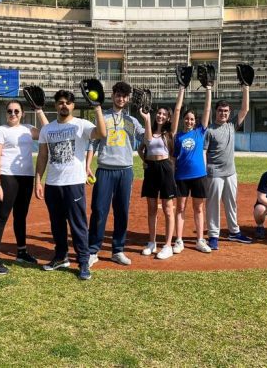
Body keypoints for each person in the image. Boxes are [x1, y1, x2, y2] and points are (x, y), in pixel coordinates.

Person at [35, 89, 106, 280]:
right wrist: (38, 180)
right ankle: (61, 257)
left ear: (73, 105)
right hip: (53, 184)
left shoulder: (81, 125)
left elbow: (101, 133)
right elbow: (42, 156)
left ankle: (83, 262)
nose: (64, 105)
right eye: (60, 102)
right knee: (57, 224)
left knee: (78, 224)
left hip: (74, 183)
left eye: (67, 102)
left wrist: (97, 108)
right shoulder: (47, 129)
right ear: (55, 106)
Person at [86, 82, 145, 268]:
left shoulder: (132, 121)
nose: (121, 98)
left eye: (124, 96)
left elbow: (146, 138)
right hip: (104, 169)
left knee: (122, 211)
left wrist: (148, 118)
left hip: (125, 170)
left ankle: (118, 250)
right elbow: (93, 143)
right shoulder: (102, 117)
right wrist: (87, 166)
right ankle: (93, 250)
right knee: (99, 210)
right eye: (118, 95)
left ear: (128, 99)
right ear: (113, 96)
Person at [0, 100, 48, 275]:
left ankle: (21, 252)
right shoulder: (0, 130)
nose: (13, 114)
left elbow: (49, 131)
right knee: (1, 216)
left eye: (16, 111)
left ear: (22, 113)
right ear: (5, 113)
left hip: (26, 178)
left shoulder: (28, 129)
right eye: (9, 111)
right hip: (7, 177)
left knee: (21, 216)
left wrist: (39, 110)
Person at [204, 87, 252, 250]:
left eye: (225, 111)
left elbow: (245, 109)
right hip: (214, 173)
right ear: (215, 112)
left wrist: (246, 88)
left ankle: (234, 232)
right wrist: (204, 171)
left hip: (231, 173)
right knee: (213, 205)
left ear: (229, 113)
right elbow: (204, 152)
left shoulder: (231, 125)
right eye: (220, 110)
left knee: (231, 203)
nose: (223, 113)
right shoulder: (209, 130)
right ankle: (213, 236)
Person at [170, 83, 212, 254]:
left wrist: (208, 89)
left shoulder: (200, 132)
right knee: (180, 208)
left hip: (199, 175)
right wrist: (172, 176)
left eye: (192, 119)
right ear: (183, 120)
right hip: (181, 177)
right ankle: (179, 240)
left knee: (199, 208)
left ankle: (200, 240)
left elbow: (207, 109)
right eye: (187, 118)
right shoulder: (177, 136)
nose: (189, 121)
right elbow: (174, 159)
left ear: (196, 121)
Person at [138, 106, 178, 260]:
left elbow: (177, 109)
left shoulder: (169, 133)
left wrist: (181, 93)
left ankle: (167, 245)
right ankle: (151, 242)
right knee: (152, 208)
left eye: (164, 114)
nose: (160, 116)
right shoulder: (149, 131)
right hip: (151, 169)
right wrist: (145, 160)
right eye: (159, 113)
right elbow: (144, 146)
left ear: (168, 118)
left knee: (168, 209)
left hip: (165, 168)